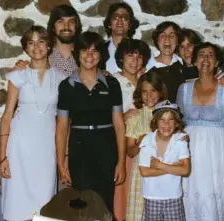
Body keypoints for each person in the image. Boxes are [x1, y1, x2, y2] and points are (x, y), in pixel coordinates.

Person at [55, 31, 126, 215]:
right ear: (77, 53)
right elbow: (62, 127)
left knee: (104, 204)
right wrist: (61, 162)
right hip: (79, 150)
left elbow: (119, 124)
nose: (89, 55)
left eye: (95, 51)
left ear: (101, 55)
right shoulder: (66, 86)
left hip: (106, 150)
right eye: (85, 50)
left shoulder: (112, 84)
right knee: (81, 205)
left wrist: (121, 162)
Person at [0, 25, 64, 221]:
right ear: (26, 48)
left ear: (49, 46)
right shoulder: (16, 76)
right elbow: (7, 115)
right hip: (19, 147)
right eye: (31, 42)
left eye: (41, 41)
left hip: (46, 148)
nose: (36, 46)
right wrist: (2, 156)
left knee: (45, 204)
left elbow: (64, 120)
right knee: (17, 204)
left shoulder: (62, 78)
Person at [176, 42, 224, 221]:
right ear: (195, 61)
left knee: (215, 205)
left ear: (217, 62)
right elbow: (177, 128)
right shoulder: (183, 89)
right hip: (189, 156)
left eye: (211, 55)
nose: (206, 59)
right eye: (201, 55)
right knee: (188, 200)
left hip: (217, 156)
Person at [112, 38, 151, 220]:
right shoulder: (113, 82)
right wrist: (122, 116)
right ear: (121, 58)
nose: (135, 60)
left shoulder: (147, 82)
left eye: (139, 56)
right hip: (122, 145)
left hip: (144, 146)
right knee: (122, 193)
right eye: (130, 55)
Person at [125, 70, 168, 221]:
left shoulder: (168, 114)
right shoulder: (135, 116)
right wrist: (140, 143)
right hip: (141, 172)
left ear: (160, 92)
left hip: (163, 169)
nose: (149, 96)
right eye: (144, 92)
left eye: (153, 91)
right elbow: (130, 151)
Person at [139, 100, 191, 221]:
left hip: (173, 197)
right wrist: (173, 167)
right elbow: (145, 172)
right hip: (152, 197)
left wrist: (159, 165)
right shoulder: (147, 140)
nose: (166, 124)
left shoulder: (180, 140)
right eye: (162, 119)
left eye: (170, 119)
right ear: (156, 122)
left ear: (176, 123)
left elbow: (185, 170)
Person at [14, 5, 82, 77]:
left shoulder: (87, 57)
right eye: (60, 21)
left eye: (71, 22)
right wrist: (22, 68)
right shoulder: (43, 56)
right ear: (53, 26)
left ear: (76, 26)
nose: (66, 26)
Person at [146, 21, 185, 103]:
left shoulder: (183, 65)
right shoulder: (146, 68)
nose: (167, 38)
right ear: (157, 40)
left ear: (178, 42)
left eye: (172, 36)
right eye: (163, 35)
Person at [103, 2, 140, 75]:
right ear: (109, 23)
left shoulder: (140, 49)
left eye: (124, 17)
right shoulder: (100, 49)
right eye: (115, 17)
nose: (119, 20)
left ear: (130, 24)